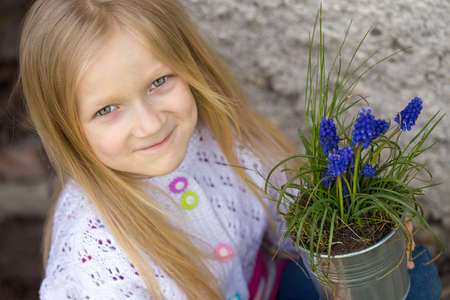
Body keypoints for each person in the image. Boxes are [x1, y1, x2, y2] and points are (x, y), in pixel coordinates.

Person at [18, 1, 440, 299]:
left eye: (159, 82)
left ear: (191, 67)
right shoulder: (93, 261)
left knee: (410, 275)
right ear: (65, 127)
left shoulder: (222, 137)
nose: (149, 124)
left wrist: (359, 247)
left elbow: (294, 226)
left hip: (271, 287)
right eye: (107, 109)